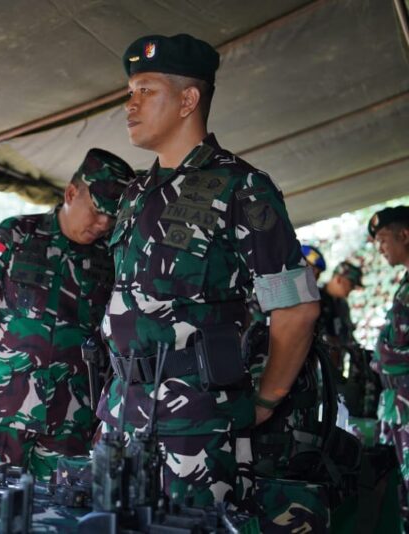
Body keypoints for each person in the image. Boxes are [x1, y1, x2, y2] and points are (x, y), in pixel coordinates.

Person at [96, 33, 320, 510]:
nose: (129, 105)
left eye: (145, 90)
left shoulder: (243, 187)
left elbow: (296, 308)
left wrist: (265, 400)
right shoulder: (135, 192)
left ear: (188, 100)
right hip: (120, 413)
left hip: (197, 425)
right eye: (129, 92)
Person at [0, 148, 133, 480]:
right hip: (3, 404)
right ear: (71, 193)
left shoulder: (112, 259)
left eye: (112, 218)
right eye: (98, 212)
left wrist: (110, 414)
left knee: (59, 508)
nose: (104, 224)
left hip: (72, 414)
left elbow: (119, 338)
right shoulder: (16, 234)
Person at [368, 206, 409, 504]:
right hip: (399, 406)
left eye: (383, 239)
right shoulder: (404, 287)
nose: (380, 248)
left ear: (404, 235)